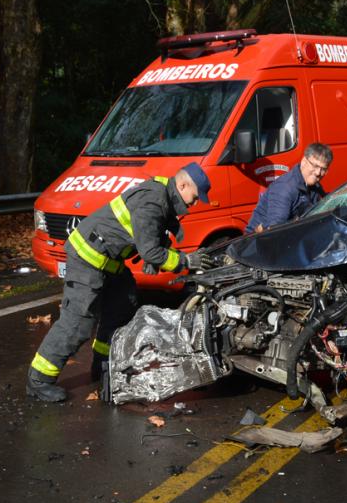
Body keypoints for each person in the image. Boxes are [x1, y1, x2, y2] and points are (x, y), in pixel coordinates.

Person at [27, 163, 214, 402]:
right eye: (195, 197)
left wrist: (155, 247)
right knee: (78, 323)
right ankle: (39, 380)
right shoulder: (154, 200)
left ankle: (103, 363)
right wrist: (186, 260)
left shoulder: (162, 196)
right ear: (183, 184)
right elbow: (150, 252)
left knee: (122, 306)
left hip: (110, 262)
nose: (194, 203)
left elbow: (150, 239)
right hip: (88, 258)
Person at [244, 142, 332, 234]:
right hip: (256, 242)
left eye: (323, 169)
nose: (318, 173)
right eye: (315, 166)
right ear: (304, 161)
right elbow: (275, 229)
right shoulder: (285, 188)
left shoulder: (314, 186)